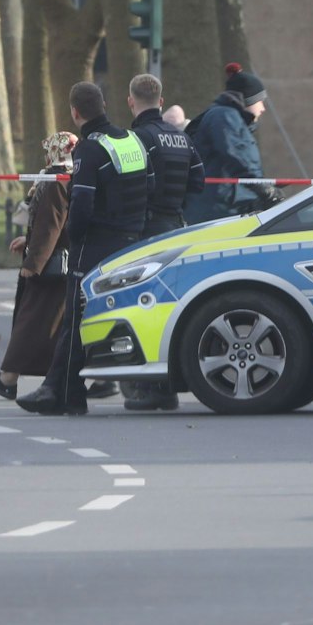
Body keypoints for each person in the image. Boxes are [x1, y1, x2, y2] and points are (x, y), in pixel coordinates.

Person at [18, 83, 149, 416]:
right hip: (132, 242)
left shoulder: (89, 149)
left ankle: (64, 393)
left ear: (75, 112)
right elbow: (149, 186)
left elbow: (82, 203)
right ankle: (68, 390)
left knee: (74, 318)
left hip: (95, 245)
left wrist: (76, 240)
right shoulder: (131, 140)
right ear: (105, 104)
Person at [0, 132, 77, 400]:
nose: (45, 154)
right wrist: (29, 239)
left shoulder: (55, 180)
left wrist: (33, 262)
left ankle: (8, 377)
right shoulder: (66, 176)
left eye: (49, 149)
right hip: (58, 263)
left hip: (50, 268)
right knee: (49, 326)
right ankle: (52, 377)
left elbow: (51, 225)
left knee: (29, 322)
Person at [124, 74, 202, 412]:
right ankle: (166, 387)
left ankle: (149, 389)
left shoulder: (137, 138)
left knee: (142, 310)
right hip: (176, 228)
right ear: (160, 99)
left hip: (145, 232)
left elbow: (130, 186)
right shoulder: (181, 138)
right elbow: (198, 181)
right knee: (170, 309)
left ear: (131, 101)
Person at [184, 64, 270, 224]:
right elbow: (237, 155)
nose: (263, 108)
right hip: (218, 209)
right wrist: (262, 188)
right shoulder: (225, 116)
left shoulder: (227, 117)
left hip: (220, 207)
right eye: (260, 101)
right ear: (247, 99)